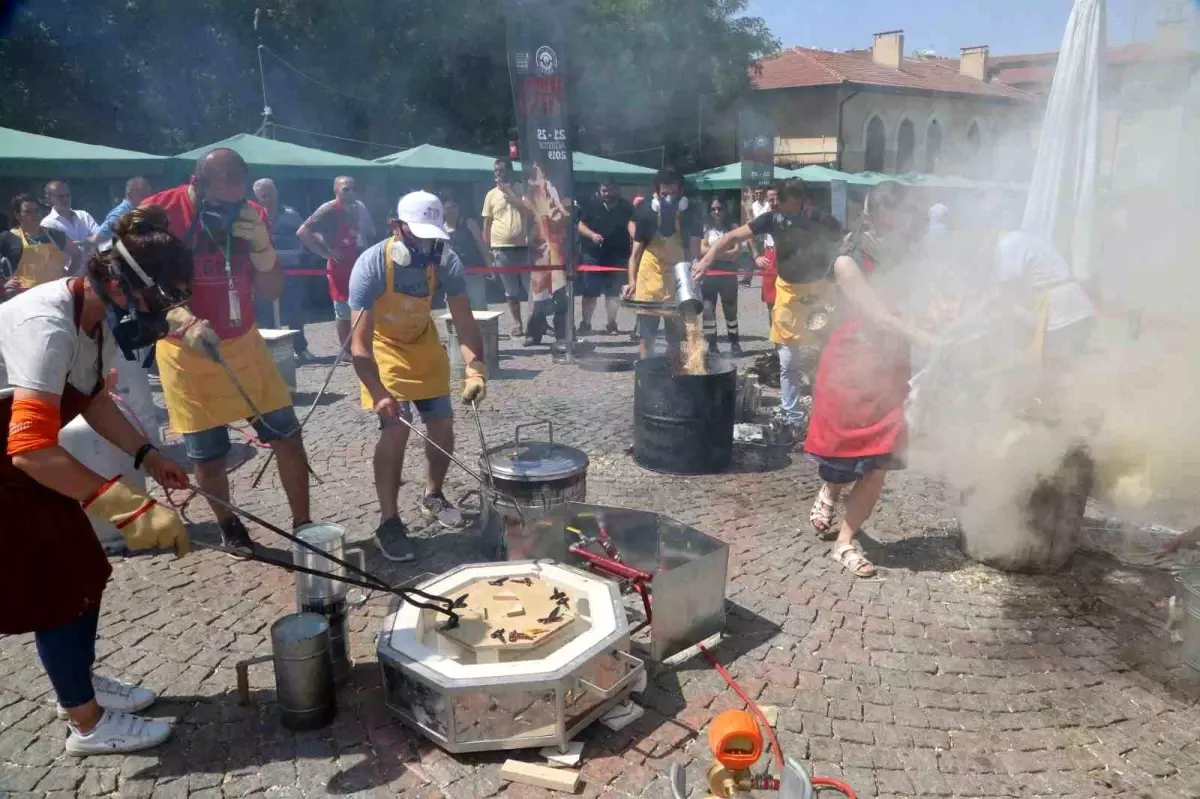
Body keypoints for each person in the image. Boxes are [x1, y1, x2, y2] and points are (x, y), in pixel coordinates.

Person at [0, 205, 193, 755]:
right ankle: (85, 724)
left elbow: (93, 399)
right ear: (113, 281)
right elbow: (31, 450)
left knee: (86, 571)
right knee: (57, 590)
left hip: (22, 458)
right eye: (149, 302)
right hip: (12, 463)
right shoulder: (46, 325)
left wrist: (148, 456)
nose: (152, 315)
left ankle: (79, 683)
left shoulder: (95, 319)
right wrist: (128, 508)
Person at [143, 148, 312, 553]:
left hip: (245, 345)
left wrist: (263, 248)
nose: (228, 208)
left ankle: (305, 526)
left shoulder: (251, 214)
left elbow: (271, 291)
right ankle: (229, 525)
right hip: (186, 353)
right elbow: (137, 288)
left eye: (234, 199)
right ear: (196, 184)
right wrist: (179, 319)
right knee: (209, 455)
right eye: (219, 201)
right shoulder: (158, 213)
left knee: (288, 435)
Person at [801, 182, 936, 578]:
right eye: (895, 221)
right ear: (872, 217)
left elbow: (916, 301)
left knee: (878, 461)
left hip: (890, 364)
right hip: (851, 365)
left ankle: (845, 541)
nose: (903, 229)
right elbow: (879, 315)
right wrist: (930, 339)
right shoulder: (848, 261)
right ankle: (829, 488)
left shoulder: (906, 256)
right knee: (841, 458)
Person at [349, 191, 488, 562]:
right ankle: (389, 522)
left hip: (424, 347)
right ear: (397, 227)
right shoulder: (371, 265)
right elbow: (358, 346)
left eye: (433, 237)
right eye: (418, 236)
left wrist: (476, 369)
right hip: (384, 350)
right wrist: (379, 394)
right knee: (396, 429)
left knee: (442, 425)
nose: (427, 246)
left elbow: (465, 323)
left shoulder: (447, 262)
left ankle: (434, 495)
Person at [694, 179, 843, 428]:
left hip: (819, 292)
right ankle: (792, 414)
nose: (791, 214)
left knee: (825, 355)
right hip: (787, 292)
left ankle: (824, 412)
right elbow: (732, 236)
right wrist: (708, 258)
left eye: (797, 208)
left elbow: (843, 243)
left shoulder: (822, 220)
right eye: (786, 208)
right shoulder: (772, 219)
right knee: (787, 360)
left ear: (805, 202)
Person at [623, 170, 699, 360]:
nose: (669, 199)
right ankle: (646, 372)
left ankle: (672, 374)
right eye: (664, 194)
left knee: (675, 337)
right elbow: (635, 256)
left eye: (673, 194)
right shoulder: (646, 213)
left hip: (677, 277)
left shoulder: (690, 213)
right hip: (649, 277)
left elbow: (695, 253)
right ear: (657, 193)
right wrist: (631, 282)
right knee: (647, 336)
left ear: (681, 192)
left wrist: (695, 280)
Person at [297, 176, 376, 349]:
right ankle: (346, 350)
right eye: (346, 189)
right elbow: (303, 232)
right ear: (336, 191)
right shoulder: (328, 209)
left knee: (363, 304)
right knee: (343, 308)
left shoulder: (360, 207)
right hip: (340, 265)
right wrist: (325, 253)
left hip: (360, 262)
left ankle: (362, 344)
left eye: (353, 188)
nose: (351, 192)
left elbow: (369, 233)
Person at [251, 179, 312, 359]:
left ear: (276, 192)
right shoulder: (253, 217)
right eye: (264, 195)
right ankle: (271, 351)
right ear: (258, 198)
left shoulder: (292, 215)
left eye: (271, 193)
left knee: (295, 311)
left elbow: (303, 237)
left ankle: (300, 348)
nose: (268, 198)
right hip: (265, 273)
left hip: (291, 270)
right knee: (265, 313)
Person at [482, 160, 534, 339]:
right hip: (500, 248)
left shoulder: (521, 189)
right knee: (510, 291)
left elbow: (529, 212)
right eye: (496, 170)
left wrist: (509, 193)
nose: (498, 173)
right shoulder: (490, 195)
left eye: (502, 170)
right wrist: (487, 248)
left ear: (510, 171)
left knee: (531, 289)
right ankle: (517, 324)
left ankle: (533, 323)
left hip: (524, 247)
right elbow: (487, 223)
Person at [577, 177, 633, 335]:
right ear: (599, 191)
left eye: (610, 190)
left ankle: (611, 323)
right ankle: (586, 323)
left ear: (617, 189)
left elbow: (632, 225)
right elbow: (580, 225)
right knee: (590, 292)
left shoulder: (626, 207)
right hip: (593, 254)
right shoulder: (592, 205)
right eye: (604, 190)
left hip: (617, 255)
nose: (607, 193)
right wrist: (592, 235)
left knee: (613, 293)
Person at [525, 161, 570, 346]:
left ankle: (561, 333)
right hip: (539, 250)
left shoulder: (552, 190)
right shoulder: (530, 196)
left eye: (541, 173)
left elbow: (563, 213)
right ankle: (534, 333)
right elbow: (537, 218)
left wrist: (560, 208)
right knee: (538, 297)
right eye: (536, 174)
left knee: (560, 294)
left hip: (557, 246)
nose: (541, 178)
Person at [1, 193, 76, 298]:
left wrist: (70, 274)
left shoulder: (55, 234)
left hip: (56, 294)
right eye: (28, 212)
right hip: (25, 297)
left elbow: (77, 253)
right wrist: (4, 284)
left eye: (36, 210)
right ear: (17, 215)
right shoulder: (7, 238)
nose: (34, 214)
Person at [698, 197, 742, 355]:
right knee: (708, 310)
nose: (716, 212)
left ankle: (735, 342)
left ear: (725, 210)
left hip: (728, 275)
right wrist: (722, 253)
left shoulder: (733, 228)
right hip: (709, 275)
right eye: (713, 209)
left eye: (719, 208)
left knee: (730, 311)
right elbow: (701, 251)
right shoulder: (705, 228)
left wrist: (713, 253)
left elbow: (735, 252)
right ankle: (712, 345)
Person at [442, 193, 490, 311]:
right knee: (455, 306)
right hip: (453, 275)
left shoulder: (469, 223)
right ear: (443, 211)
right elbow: (442, 254)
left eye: (454, 207)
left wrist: (489, 264)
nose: (451, 210)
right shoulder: (441, 229)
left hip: (473, 270)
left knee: (478, 305)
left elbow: (481, 244)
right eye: (447, 208)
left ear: (458, 208)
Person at [41, 181, 100, 264]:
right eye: (60, 197)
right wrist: (91, 241)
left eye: (68, 196)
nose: (66, 199)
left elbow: (102, 236)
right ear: (49, 199)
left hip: (95, 267)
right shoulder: (47, 224)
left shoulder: (83, 215)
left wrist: (88, 241)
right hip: (71, 273)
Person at [96, 177, 153, 242]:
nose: (149, 199)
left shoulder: (137, 211)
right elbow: (98, 239)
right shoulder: (120, 213)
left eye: (149, 195)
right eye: (143, 194)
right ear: (130, 193)